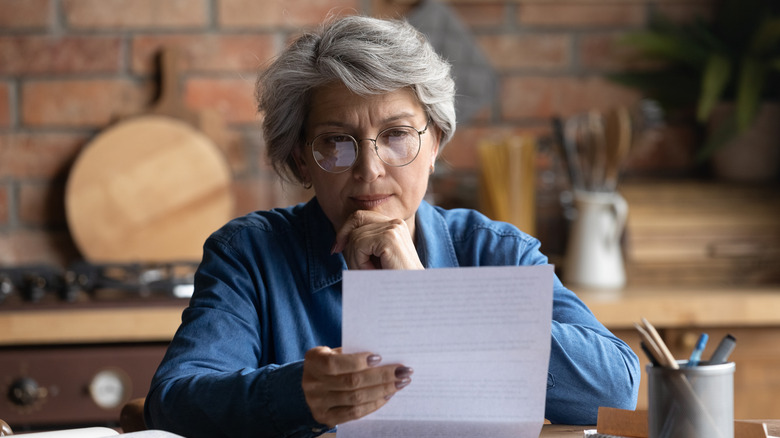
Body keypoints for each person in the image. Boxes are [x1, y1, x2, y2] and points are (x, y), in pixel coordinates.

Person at [144, 14, 640, 438]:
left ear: (436, 143)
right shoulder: (250, 253)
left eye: (397, 135)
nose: (370, 169)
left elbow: (614, 389)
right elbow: (171, 402)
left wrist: (429, 296)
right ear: (301, 161)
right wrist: (299, 394)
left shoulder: (494, 248)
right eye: (336, 142)